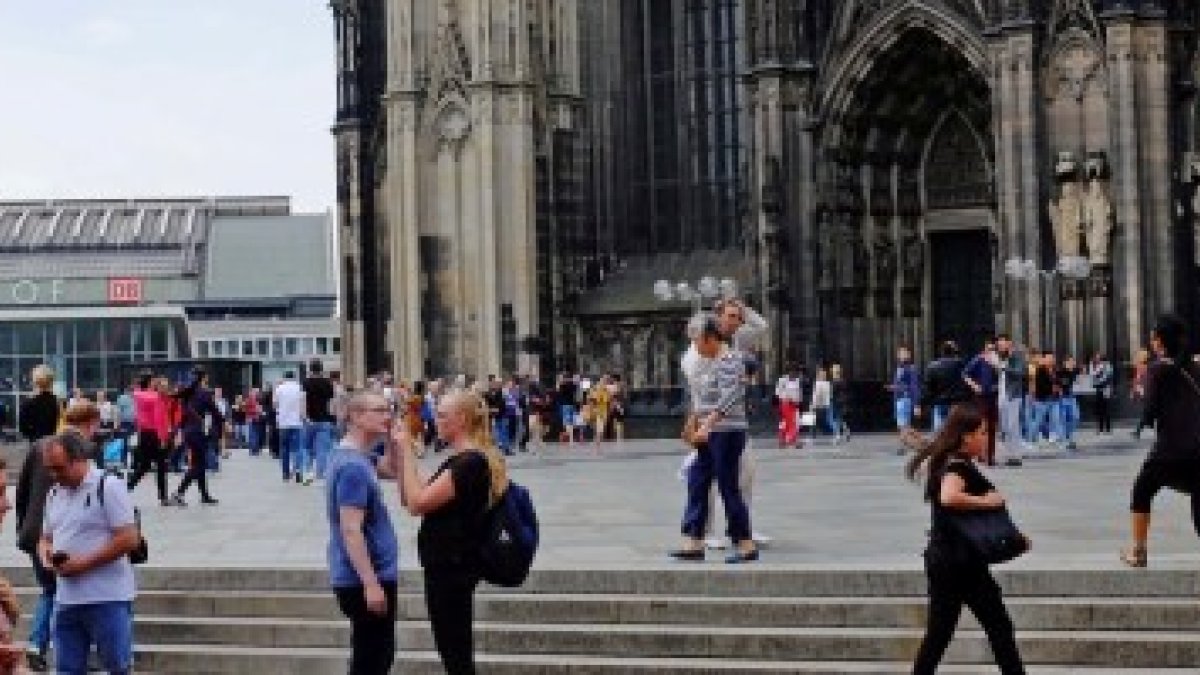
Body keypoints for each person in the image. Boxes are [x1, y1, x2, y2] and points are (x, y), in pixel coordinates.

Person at [392, 390, 508, 674]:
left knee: (455, 654)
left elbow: (418, 503)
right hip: (446, 566)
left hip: (452, 568)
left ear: (462, 419)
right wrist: (401, 457)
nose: (436, 420)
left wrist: (407, 450)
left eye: (442, 415)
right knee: (452, 649)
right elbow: (413, 498)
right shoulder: (461, 461)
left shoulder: (469, 463)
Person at [906, 404, 1027, 674]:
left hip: (951, 560)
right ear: (965, 437)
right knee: (997, 627)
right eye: (982, 432)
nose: (986, 437)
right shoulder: (957, 467)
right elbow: (949, 497)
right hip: (960, 563)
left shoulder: (949, 460)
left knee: (942, 634)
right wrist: (986, 500)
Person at [39, 431, 140, 675]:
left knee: (117, 666)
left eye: (59, 468)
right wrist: (46, 555)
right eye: (50, 469)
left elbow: (129, 538)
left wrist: (84, 564)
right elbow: (45, 537)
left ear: (78, 459)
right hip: (66, 599)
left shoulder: (108, 486)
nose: (54, 475)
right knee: (66, 668)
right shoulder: (54, 493)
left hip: (106, 597)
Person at [670, 313, 758, 564]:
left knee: (728, 485)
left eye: (698, 341)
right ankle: (694, 540)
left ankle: (745, 543)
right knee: (697, 480)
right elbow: (706, 397)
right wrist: (693, 421)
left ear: (710, 339)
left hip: (727, 433)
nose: (696, 347)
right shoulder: (711, 361)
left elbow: (730, 397)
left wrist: (706, 425)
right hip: (710, 432)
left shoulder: (730, 360)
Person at [325, 392, 400, 674]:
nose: (387, 415)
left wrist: (393, 441)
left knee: (373, 655)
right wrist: (370, 583)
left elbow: (393, 469)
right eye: (379, 410)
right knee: (373, 660)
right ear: (355, 417)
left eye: (389, 409)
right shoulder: (354, 466)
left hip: (366, 575)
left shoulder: (357, 457)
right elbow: (351, 529)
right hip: (366, 578)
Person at [1121, 315, 1200, 568]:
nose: (1152, 342)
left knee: (1142, 490)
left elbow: (1151, 409)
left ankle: (1139, 551)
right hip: (1198, 449)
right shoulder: (1195, 367)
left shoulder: (1157, 369)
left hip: (1169, 450)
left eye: (1154, 337)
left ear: (1161, 341)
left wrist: (1143, 404)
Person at [15, 365, 61, 671]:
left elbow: (21, 494)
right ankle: (43, 641)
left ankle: (39, 642)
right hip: (48, 531)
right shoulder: (55, 404)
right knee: (56, 589)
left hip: (33, 530)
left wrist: (21, 525)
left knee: (50, 588)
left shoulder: (29, 406)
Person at [170, 369, 222, 506]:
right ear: (204, 377)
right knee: (198, 465)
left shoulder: (188, 392)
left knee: (200, 463)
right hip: (198, 432)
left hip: (189, 431)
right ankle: (179, 493)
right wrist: (224, 422)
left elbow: (184, 415)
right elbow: (214, 411)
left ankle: (204, 495)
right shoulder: (204, 393)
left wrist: (179, 430)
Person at [127, 371, 172, 507]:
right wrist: (163, 438)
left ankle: (127, 488)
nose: (155, 383)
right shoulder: (155, 397)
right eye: (153, 381)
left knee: (144, 465)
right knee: (161, 465)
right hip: (154, 434)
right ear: (149, 382)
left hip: (143, 434)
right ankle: (163, 497)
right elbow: (159, 419)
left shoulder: (137, 395)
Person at [961, 342, 1000, 466]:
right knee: (982, 426)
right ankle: (981, 454)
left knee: (992, 427)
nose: (991, 351)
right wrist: (974, 385)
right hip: (981, 398)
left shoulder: (997, 362)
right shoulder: (978, 360)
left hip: (994, 396)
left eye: (993, 349)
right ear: (984, 350)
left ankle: (990, 456)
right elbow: (965, 374)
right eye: (989, 349)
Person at [921, 341, 971, 432]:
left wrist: (921, 403)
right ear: (954, 352)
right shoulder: (961, 365)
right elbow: (968, 383)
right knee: (956, 432)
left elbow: (927, 388)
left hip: (940, 403)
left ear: (942, 352)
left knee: (939, 433)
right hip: (957, 403)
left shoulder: (932, 366)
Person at [995, 336, 1029, 465]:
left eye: (1002, 345)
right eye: (999, 345)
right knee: (1004, 427)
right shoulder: (1001, 357)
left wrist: (1004, 368)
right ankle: (1008, 455)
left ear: (1009, 343)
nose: (1001, 347)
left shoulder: (1017, 356)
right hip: (1001, 396)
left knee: (1013, 426)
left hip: (1013, 395)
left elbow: (1021, 373)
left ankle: (1016, 456)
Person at [304, 361, 338, 483]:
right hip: (325, 419)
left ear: (311, 370)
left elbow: (303, 401)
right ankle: (320, 472)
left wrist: (305, 417)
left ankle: (307, 470)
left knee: (307, 448)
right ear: (321, 370)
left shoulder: (305, 383)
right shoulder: (327, 383)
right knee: (322, 449)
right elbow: (332, 402)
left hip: (310, 420)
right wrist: (333, 417)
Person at [275, 371, 307, 483]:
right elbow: (303, 405)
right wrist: (303, 417)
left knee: (284, 449)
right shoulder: (299, 388)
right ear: (294, 378)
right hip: (297, 422)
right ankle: (298, 470)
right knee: (298, 448)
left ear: (284, 377)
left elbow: (275, 404)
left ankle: (285, 473)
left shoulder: (279, 389)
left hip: (283, 423)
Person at [889, 346, 920, 434]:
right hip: (898, 399)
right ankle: (909, 443)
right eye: (900, 353)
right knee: (901, 426)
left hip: (905, 399)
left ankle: (916, 442)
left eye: (904, 353)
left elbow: (915, 386)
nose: (902, 355)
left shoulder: (911, 368)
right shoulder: (898, 369)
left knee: (904, 426)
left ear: (909, 355)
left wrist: (916, 404)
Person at [1056, 355, 1082, 450]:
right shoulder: (1060, 372)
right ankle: (1067, 439)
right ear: (1065, 363)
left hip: (1072, 397)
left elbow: (1079, 379)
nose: (1073, 363)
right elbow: (1058, 383)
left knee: (1075, 417)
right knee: (1064, 418)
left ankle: (1069, 437)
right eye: (1071, 362)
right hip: (1063, 397)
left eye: (1073, 362)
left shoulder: (1075, 372)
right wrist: (1059, 391)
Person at [775, 364, 804, 448]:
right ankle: (786, 440)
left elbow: (799, 392)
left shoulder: (797, 381)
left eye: (795, 373)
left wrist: (798, 401)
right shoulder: (782, 380)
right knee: (787, 422)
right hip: (785, 404)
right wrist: (785, 397)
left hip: (794, 404)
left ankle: (793, 440)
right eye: (792, 372)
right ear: (788, 372)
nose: (794, 374)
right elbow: (778, 392)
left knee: (795, 422)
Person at [1089, 352, 1114, 433]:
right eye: (1096, 358)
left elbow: (1107, 376)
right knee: (1099, 409)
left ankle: (1108, 428)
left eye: (1099, 358)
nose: (1098, 359)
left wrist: (1099, 378)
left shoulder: (1107, 365)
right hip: (1098, 389)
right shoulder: (1093, 365)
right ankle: (1100, 428)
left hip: (1106, 388)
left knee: (1106, 408)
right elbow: (1092, 375)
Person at [1131, 348, 1151, 439]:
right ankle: (1139, 430)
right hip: (1145, 391)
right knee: (1147, 411)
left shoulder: (1142, 367)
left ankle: (1138, 430)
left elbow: (1138, 380)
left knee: (1147, 411)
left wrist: (1135, 391)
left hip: (1144, 391)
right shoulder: (1145, 366)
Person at [829, 363, 850, 443]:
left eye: (833, 370)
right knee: (840, 418)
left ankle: (837, 435)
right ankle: (846, 430)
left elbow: (832, 392)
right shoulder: (843, 380)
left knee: (833, 419)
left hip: (835, 401)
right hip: (842, 401)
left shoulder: (835, 382)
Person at [809, 368, 832, 442]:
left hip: (818, 404)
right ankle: (825, 431)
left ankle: (813, 434)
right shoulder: (828, 383)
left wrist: (813, 404)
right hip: (825, 404)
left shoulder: (818, 383)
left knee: (814, 420)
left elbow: (816, 395)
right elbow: (829, 394)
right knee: (823, 419)